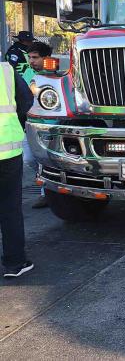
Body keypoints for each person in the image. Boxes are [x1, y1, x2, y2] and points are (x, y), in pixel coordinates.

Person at [0, 60, 34, 278]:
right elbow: (26, 101)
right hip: (7, 151)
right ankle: (14, 263)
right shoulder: (6, 70)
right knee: (10, 208)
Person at [21, 42, 53, 209]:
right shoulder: (27, 72)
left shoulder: (54, 74)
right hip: (29, 124)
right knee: (29, 159)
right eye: (30, 57)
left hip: (49, 125)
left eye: (35, 57)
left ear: (46, 58)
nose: (31, 61)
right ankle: (47, 187)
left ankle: (46, 193)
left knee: (46, 160)